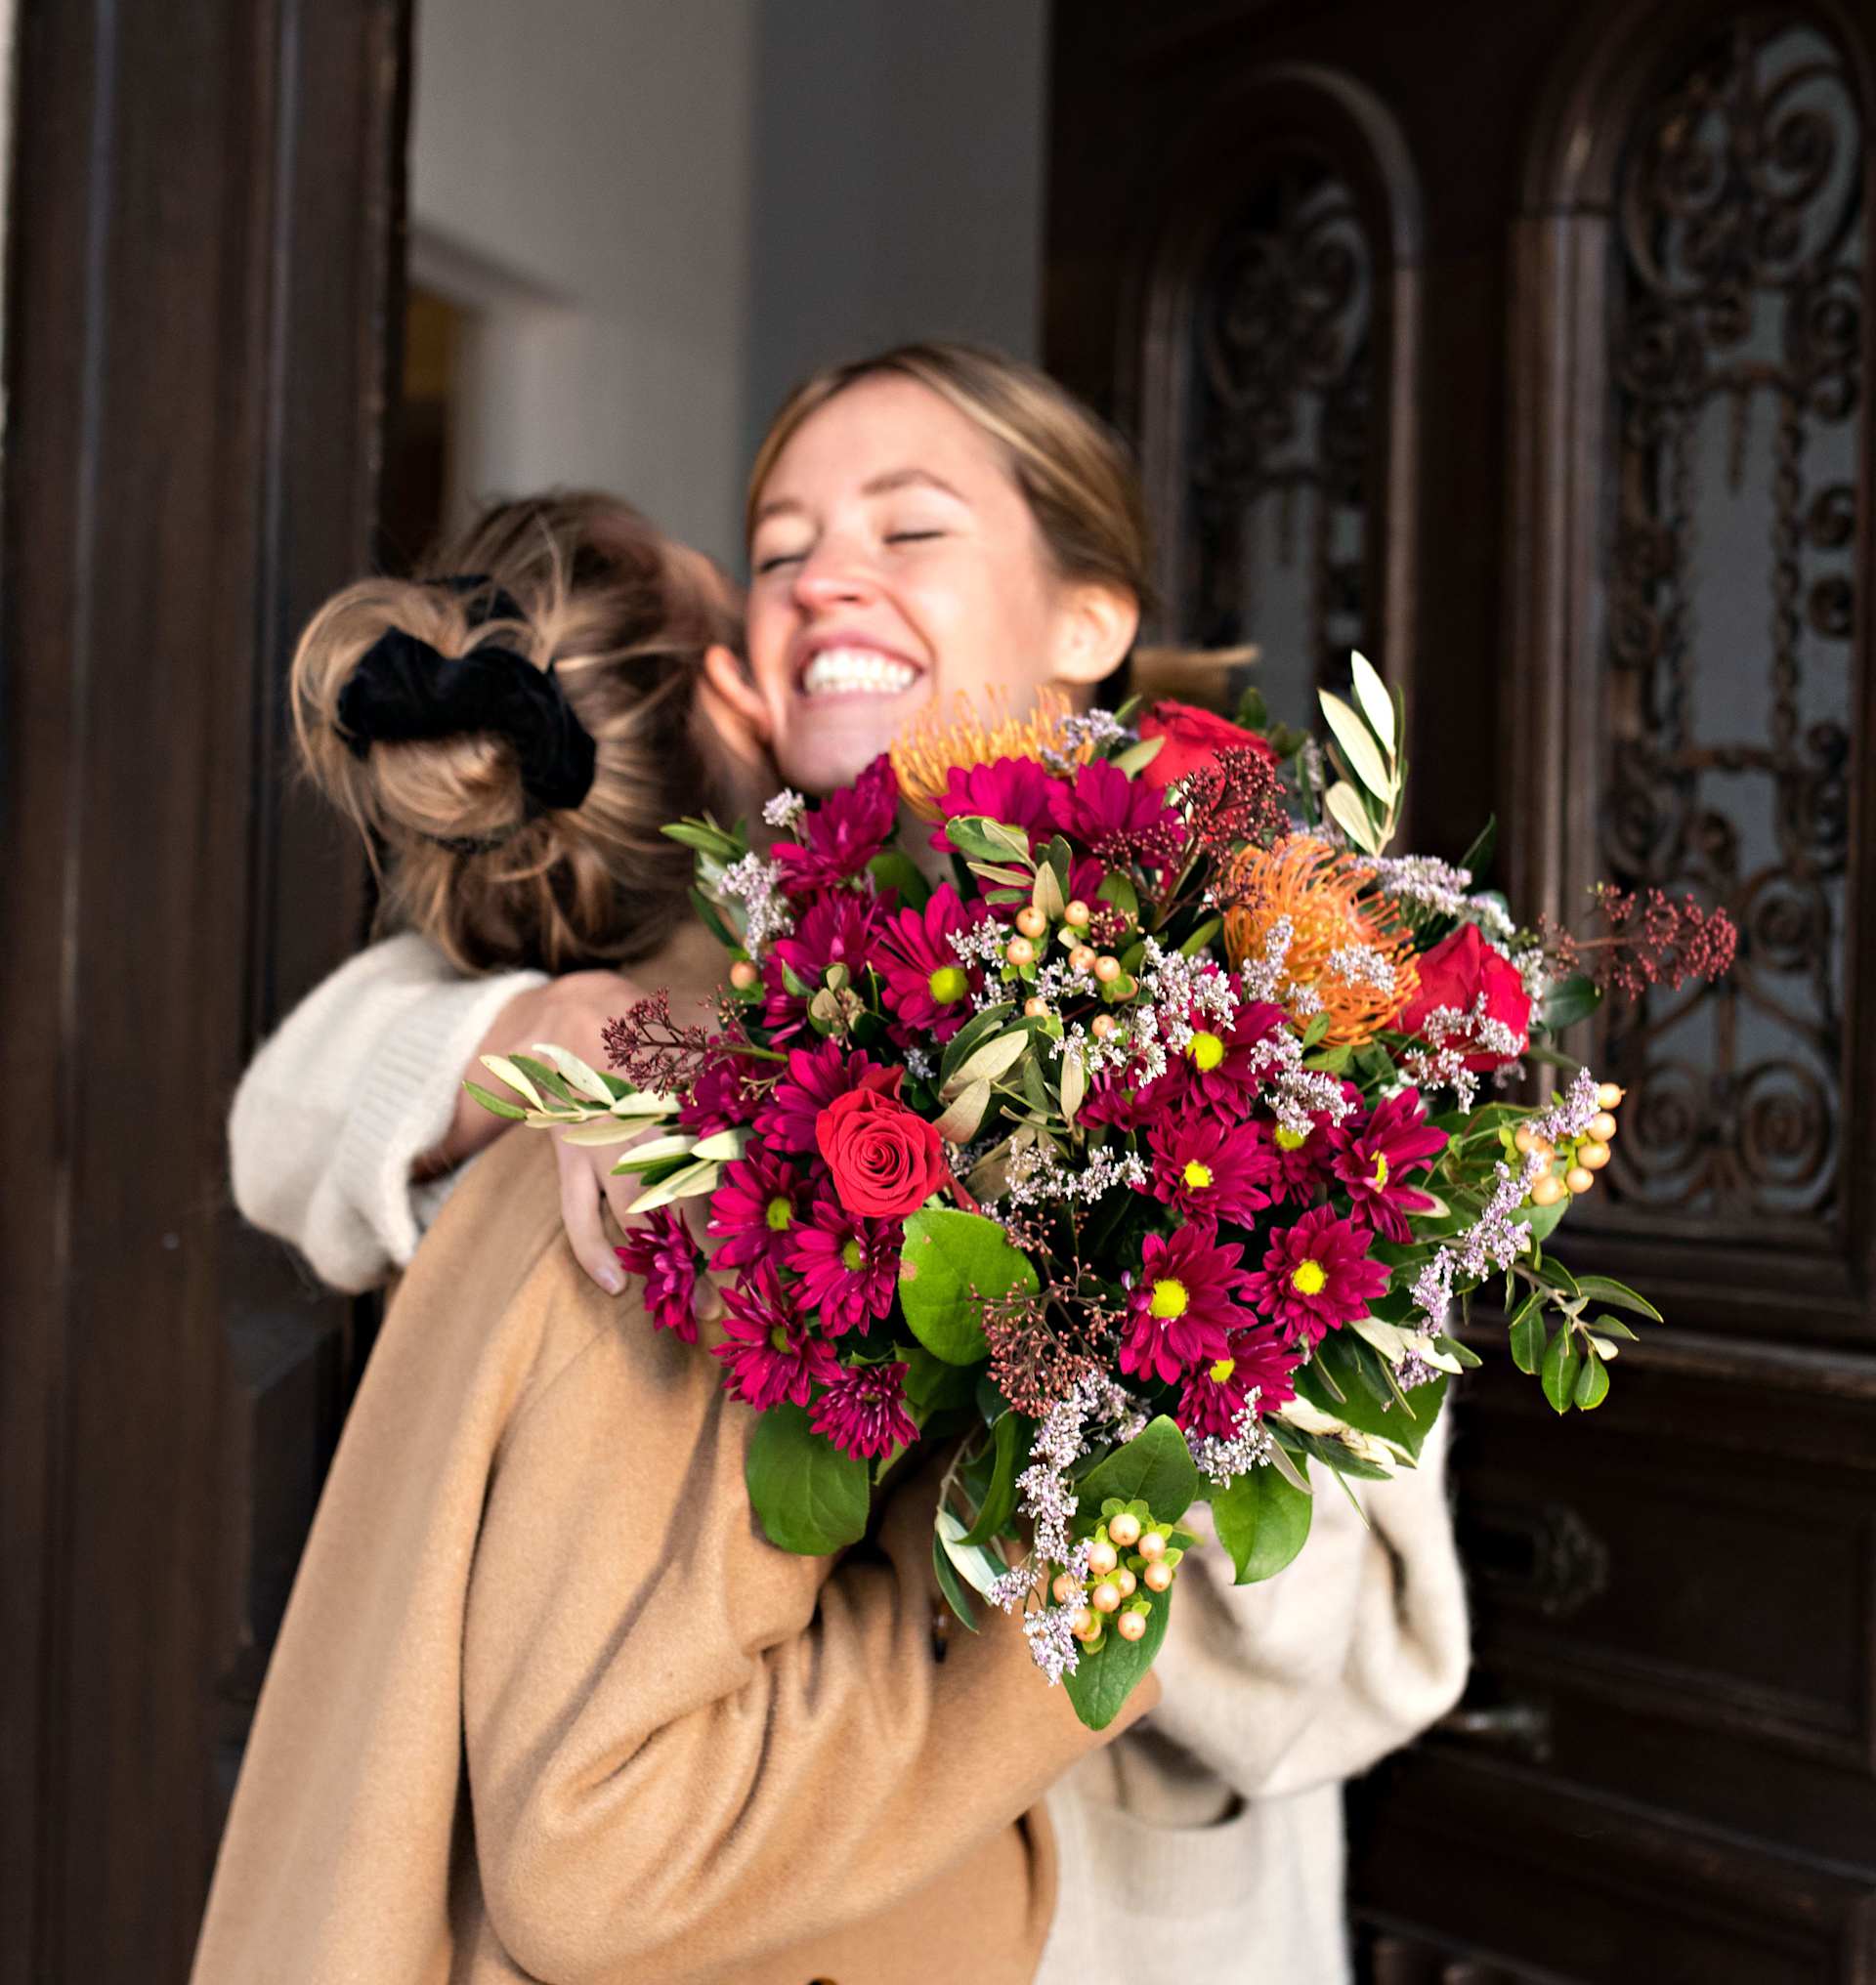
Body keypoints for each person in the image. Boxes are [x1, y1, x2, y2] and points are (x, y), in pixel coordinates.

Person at [221, 346, 1469, 1982]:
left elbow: (1358, 1678)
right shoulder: (693, 972)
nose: (829, 583)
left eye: (909, 531)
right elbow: (281, 1129)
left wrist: (1139, 1378)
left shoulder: (1274, 1002)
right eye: (786, 544)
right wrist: (561, 1018)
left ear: (1086, 621)